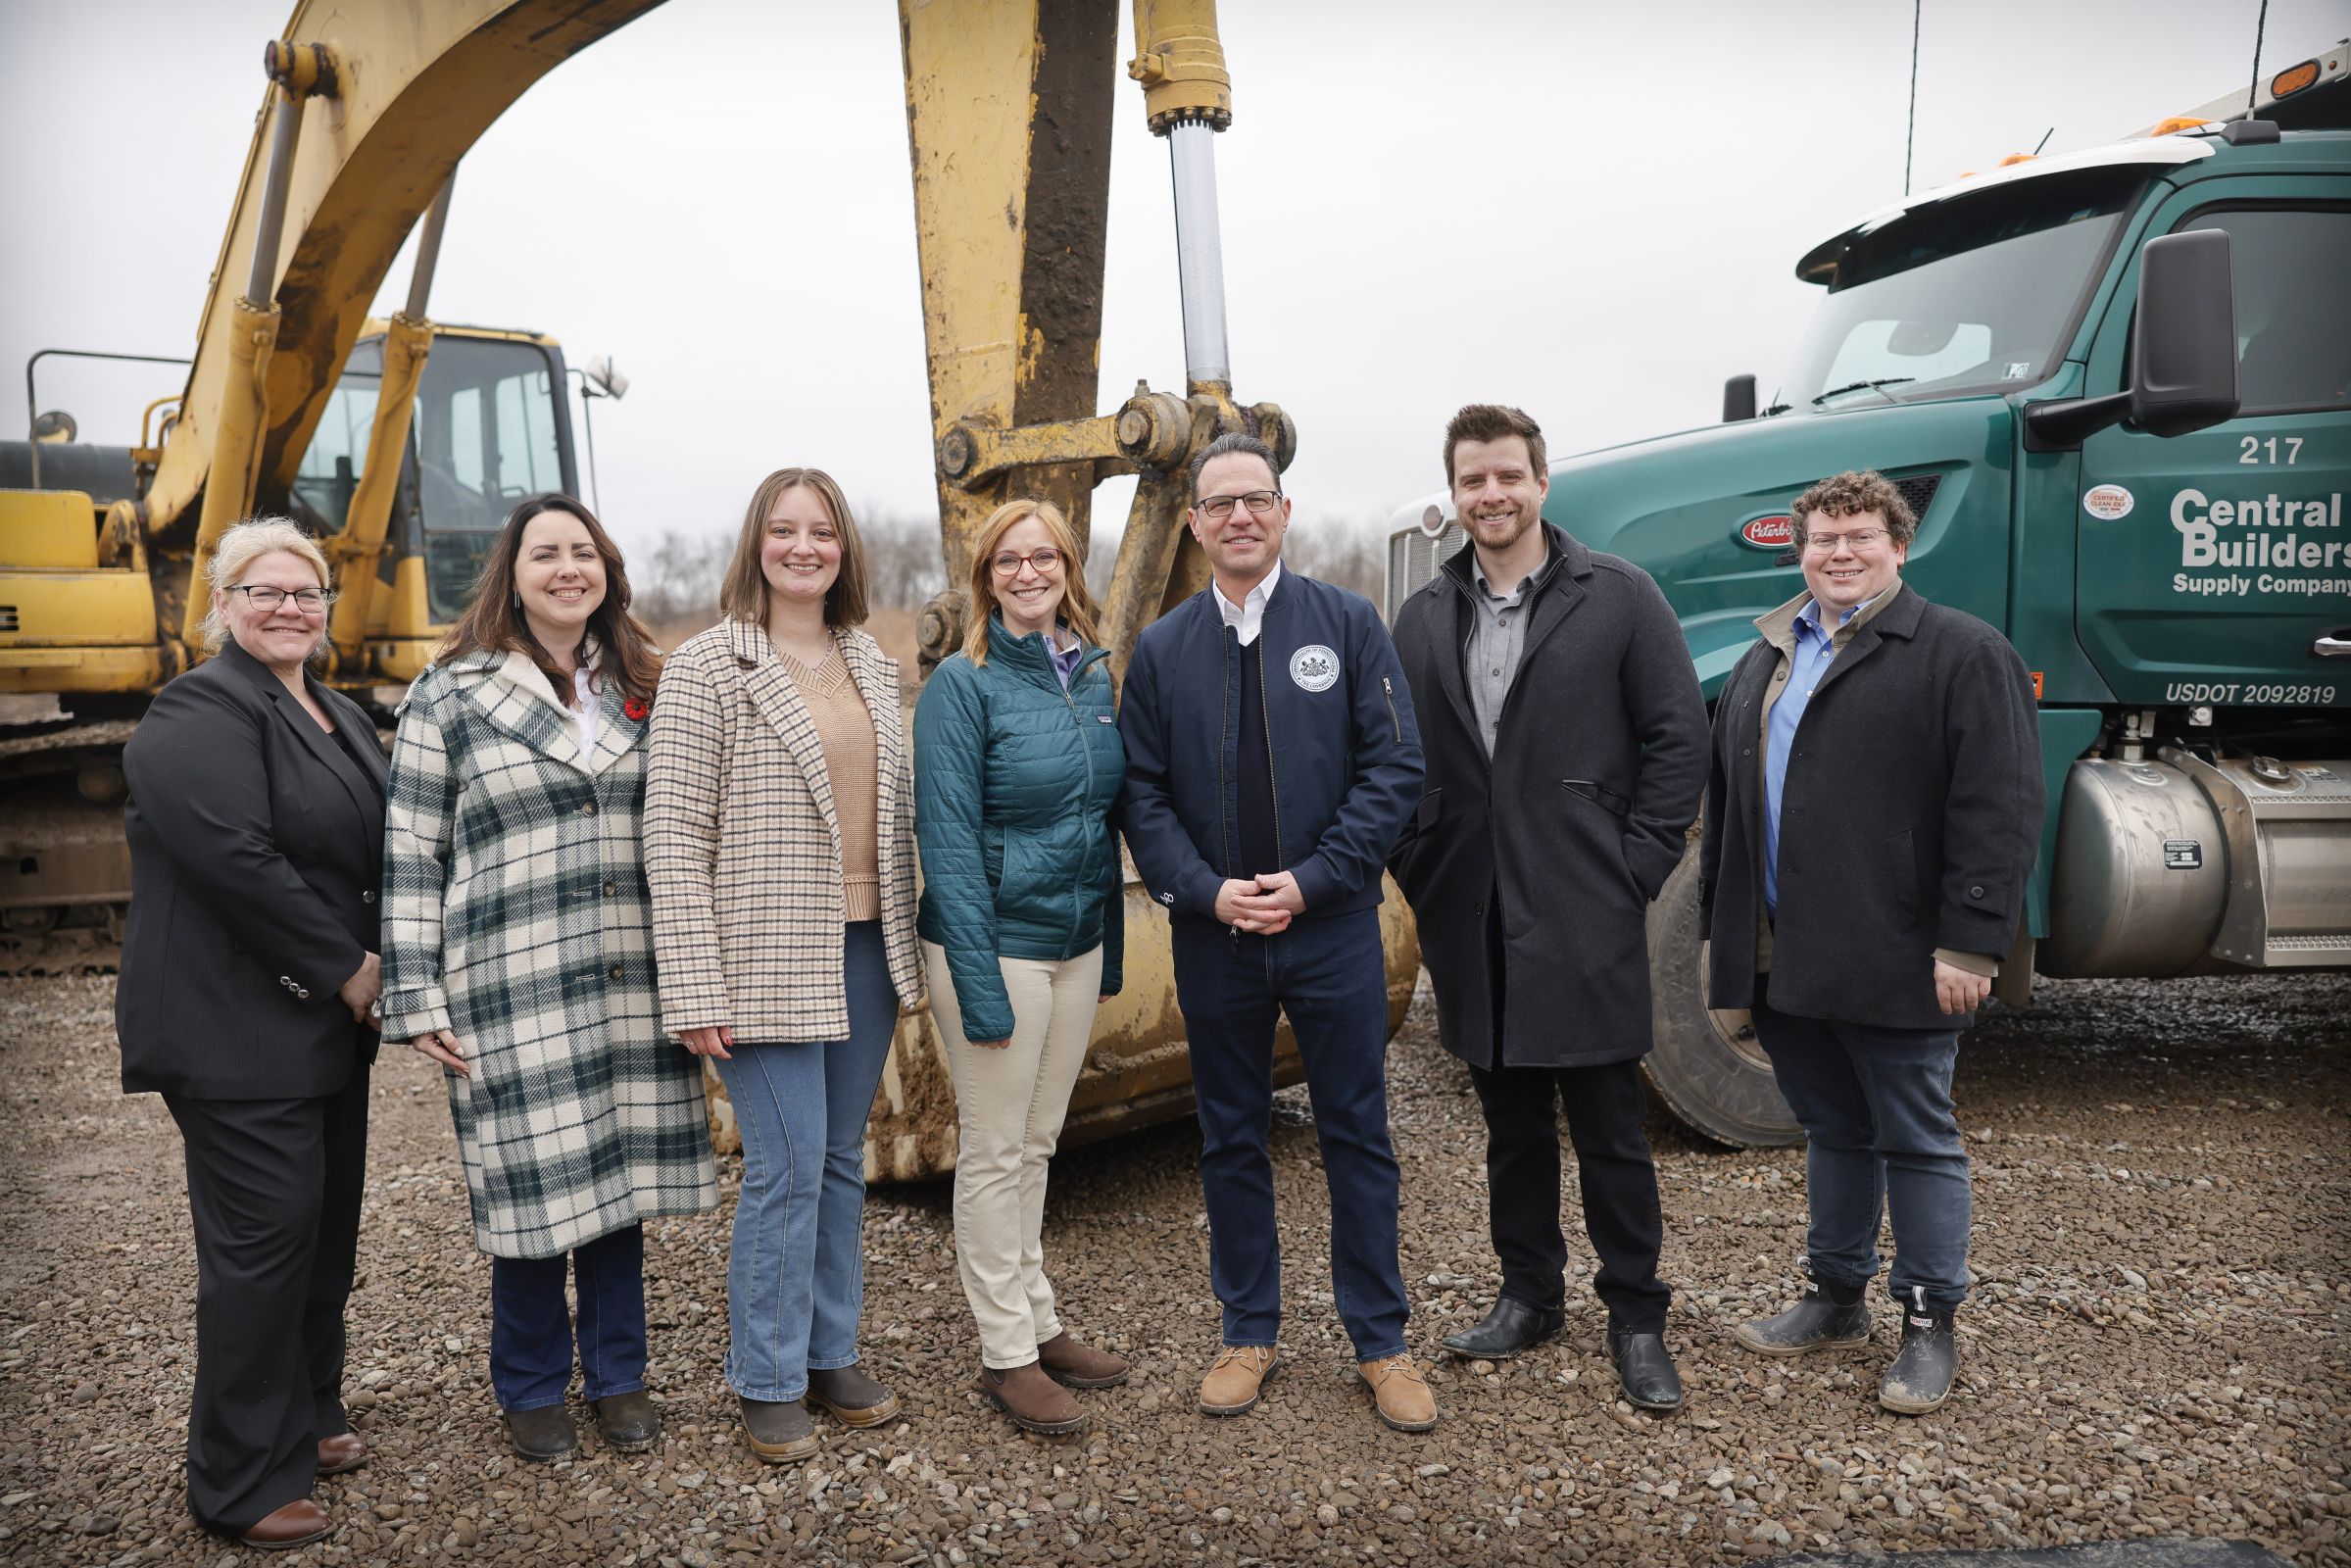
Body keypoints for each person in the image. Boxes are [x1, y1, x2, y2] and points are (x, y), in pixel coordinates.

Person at [1698, 469, 2043, 1414]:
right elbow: (1733, 802)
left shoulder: (1961, 653)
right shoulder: (1766, 654)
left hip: (1901, 952)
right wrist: (1721, 930)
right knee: (1831, 1127)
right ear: (1798, 550)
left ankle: (1929, 1321)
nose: (1839, 553)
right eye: (1821, 538)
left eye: (1859, 536)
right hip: (1786, 950)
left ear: (1898, 546)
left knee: (1916, 1139)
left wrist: (1969, 944)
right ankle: (1835, 1297)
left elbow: (2000, 808)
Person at [381, 494, 715, 1463]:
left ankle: (619, 1378)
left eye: (583, 552)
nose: (566, 568)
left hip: (628, 977)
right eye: (544, 554)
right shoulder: (450, 693)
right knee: (530, 1192)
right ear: (511, 574)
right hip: (510, 979)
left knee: (615, 1187)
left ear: (607, 568)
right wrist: (415, 994)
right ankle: (529, 1386)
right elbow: (411, 851)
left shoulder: (645, 686)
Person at [1387, 405, 1708, 1411]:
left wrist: (1635, 867)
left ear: (1540, 482)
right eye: (1471, 480)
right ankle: (1527, 1293)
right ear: (1453, 494)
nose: (1490, 495)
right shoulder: (1423, 614)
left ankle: (1636, 1315)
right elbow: (1396, 758)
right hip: (1470, 911)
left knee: (1609, 1124)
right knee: (1509, 1124)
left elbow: (1675, 739)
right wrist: (1421, 863)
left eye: (1506, 477)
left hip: (1585, 902)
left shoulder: (1616, 597)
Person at [1116, 431, 1433, 1432]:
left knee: (1354, 1133)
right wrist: (1203, 892)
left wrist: (1312, 879)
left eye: (1255, 498)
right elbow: (1141, 790)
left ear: (1283, 513)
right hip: (1217, 939)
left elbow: (1394, 771)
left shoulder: (1343, 624)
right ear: (1197, 524)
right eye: (1218, 504)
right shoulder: (1164, 649)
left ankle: (1379, 1342)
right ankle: (1247, 1330)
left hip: (1329, 928)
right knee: (1230, 1137)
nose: (1238, 517)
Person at [116, 518, 386, 1550]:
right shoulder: (196, 711)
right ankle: (237, 1478)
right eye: (262, 591)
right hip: (235, 1027)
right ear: (221, 606)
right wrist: (351, 969)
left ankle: (309, 1413)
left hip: (318, 1028)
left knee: (321, 1240)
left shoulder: (334, 711)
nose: (287, 607)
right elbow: (239, 862)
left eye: (305, 592)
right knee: (264, 1246)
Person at [643, 467, 923, 1465]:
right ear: (755, 542)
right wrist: (693, 984)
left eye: (823, 532)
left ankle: (828, 1350)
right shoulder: (708, 665)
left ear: (844, 550)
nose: (803, 547)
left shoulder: (868, 658)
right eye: (783, 529)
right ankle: (765, 1376)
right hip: (756, 952)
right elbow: (673, 836)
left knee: (841, 1160)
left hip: (860, 941)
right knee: (787, 1163)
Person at [913, 497, 1131, 1436]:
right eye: (1009, 560)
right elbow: (948, 842)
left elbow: (1104, 817)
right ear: (984, 576)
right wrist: (974, 977)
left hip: (1074, 940)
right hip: (995, 943)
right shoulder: (961, 686)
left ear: (1067, 568)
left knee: (1038, 1144)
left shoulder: (1088, 673)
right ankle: (1005, 1354)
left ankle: (1037, 1323)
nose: (1029, 573)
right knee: (995, 1152)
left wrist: (1110, 937)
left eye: (1044, 557)